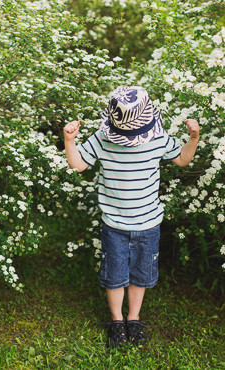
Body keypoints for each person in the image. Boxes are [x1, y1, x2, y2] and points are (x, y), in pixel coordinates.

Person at [62, 86, 199, 348]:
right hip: (114, 224)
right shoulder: (103, 138)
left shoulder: (157, 138)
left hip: (148, 223)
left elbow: (182, 159)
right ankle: (116, 321)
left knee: (141, 274)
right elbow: (79, 165)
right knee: (114, 275)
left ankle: (133, 319)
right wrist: (70, 141)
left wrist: (193, 138)